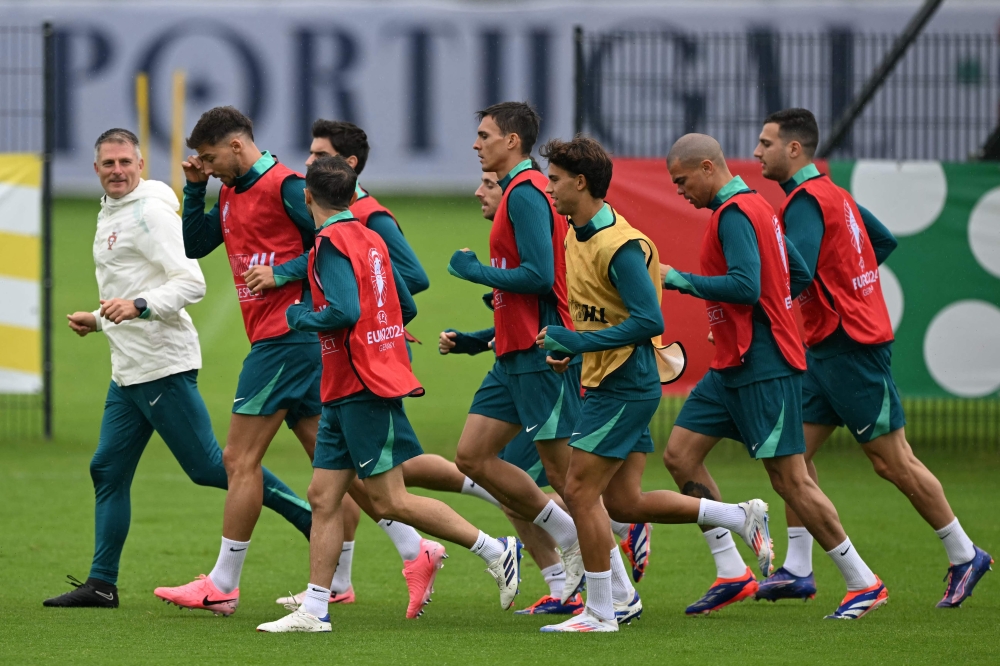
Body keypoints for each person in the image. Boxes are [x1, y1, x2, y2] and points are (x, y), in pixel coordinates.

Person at [153, 106, 432, 618]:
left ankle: (223, 583)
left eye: (212, 158)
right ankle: (420, 549)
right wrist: (196, 190)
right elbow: (195, 244)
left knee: (239, 460)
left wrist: (283, 274)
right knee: (338, 471)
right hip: (291, 343)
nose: (209, 166)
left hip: (289, 338)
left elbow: (338, 240)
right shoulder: (232, 190)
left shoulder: (287, 187)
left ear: (237, 146)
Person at [242, 119, 504, 613]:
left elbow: (340, 311)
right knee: (323, 496)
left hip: (359, 383)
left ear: (308, 201)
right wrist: (380, 324)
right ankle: (316, 607)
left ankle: (495, 549)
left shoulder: (328, 245)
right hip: (344, 386)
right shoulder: (367, 236)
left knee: (390, 501)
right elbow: (404, 303)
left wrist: (298, 315)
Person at [43, 129, 311, 610]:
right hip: (128, 369)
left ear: (141, 164)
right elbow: (129, 289)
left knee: (212, 467)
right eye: (109, 164)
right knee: (107, 469)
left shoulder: (148, 213)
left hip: (161, 365)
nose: (118, 170)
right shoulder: (112, 211)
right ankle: (102, 584)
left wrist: (139, 306)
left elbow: (190, 282)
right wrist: (101, 318)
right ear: (96, 169)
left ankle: (316, 523)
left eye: (126, 161)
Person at [753, 108, 993, 607]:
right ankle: (799, 567)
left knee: (892, 461)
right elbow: (880, 241)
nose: (757, 152)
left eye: (766, 143)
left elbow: (790, 273)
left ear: (794, 149)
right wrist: (845, 282)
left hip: (850, 348)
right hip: (828, 347)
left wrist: (777, 305)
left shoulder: (803, 202)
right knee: (789, 460)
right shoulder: (833, 194)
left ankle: (964, 552)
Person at [532, 137, 772, 632]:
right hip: (605, 379)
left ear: (580, 182)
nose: (548, 187)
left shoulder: (621, 245)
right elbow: (599, 317)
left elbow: (647, 321)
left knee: (577, 491)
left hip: (625, 384)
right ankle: (737, 515)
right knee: (624, 503)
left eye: (554, 178)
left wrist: (578, 345)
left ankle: (602, 611)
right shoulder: (574, 233)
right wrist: (571, 348)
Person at [661, 133, 888, 620]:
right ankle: (731, 572)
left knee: (791, 480)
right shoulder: (758, 206)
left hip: (764, 367)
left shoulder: (737, 213)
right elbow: (799, 272)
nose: (680, 191)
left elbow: (746, 285)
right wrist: (769, 308)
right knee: (679, 454)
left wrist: (680, 280)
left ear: (706, 167)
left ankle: (863, 581)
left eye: (682, 182)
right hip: (733, 364)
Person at [447, 102, 589, 603]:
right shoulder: (514, 193)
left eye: (484, 134)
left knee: (568, 478)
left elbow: (539, 276)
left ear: (512, 141)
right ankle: (571, 538)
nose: (475, 143)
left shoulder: (527, 193)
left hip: (538, 351)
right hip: (510, 354)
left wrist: (476, 272)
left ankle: (612, 587)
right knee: (472, 456)